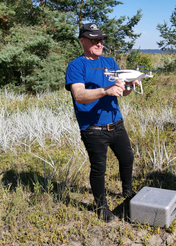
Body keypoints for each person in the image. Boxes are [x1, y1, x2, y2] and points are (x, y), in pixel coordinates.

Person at [65, 23, 139, 223]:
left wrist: (130, 84)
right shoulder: (76, 65)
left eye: (101, 39)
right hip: (93, 129)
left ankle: (128, 193)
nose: (99, 43)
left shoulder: (110, 61)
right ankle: (101, 207)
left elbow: (122, 91)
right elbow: (79, 95)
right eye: (94, 39)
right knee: (99, 168)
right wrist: (105, 91)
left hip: (117, 123)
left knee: (127, 159)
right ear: (82, 41)